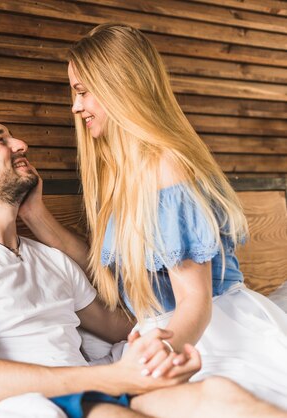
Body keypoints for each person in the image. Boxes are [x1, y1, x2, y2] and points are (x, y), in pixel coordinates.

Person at [0, 103, 286, 418]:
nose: (20, 143)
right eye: (0, 140)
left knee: (220, 394)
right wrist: (114, 379)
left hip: (97, 390)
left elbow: (123, 327)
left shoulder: (51, 260)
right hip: (53, 399)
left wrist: (159, 352)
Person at [18, 23, 287, 410]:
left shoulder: (167, 168)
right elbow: (106, 268)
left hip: (207, 332)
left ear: (119, 87)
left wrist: (158, 352)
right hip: (166, 331)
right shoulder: (124, 173)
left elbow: (195, 300)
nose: (75, 107)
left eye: (82, 92)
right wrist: (35, 214)